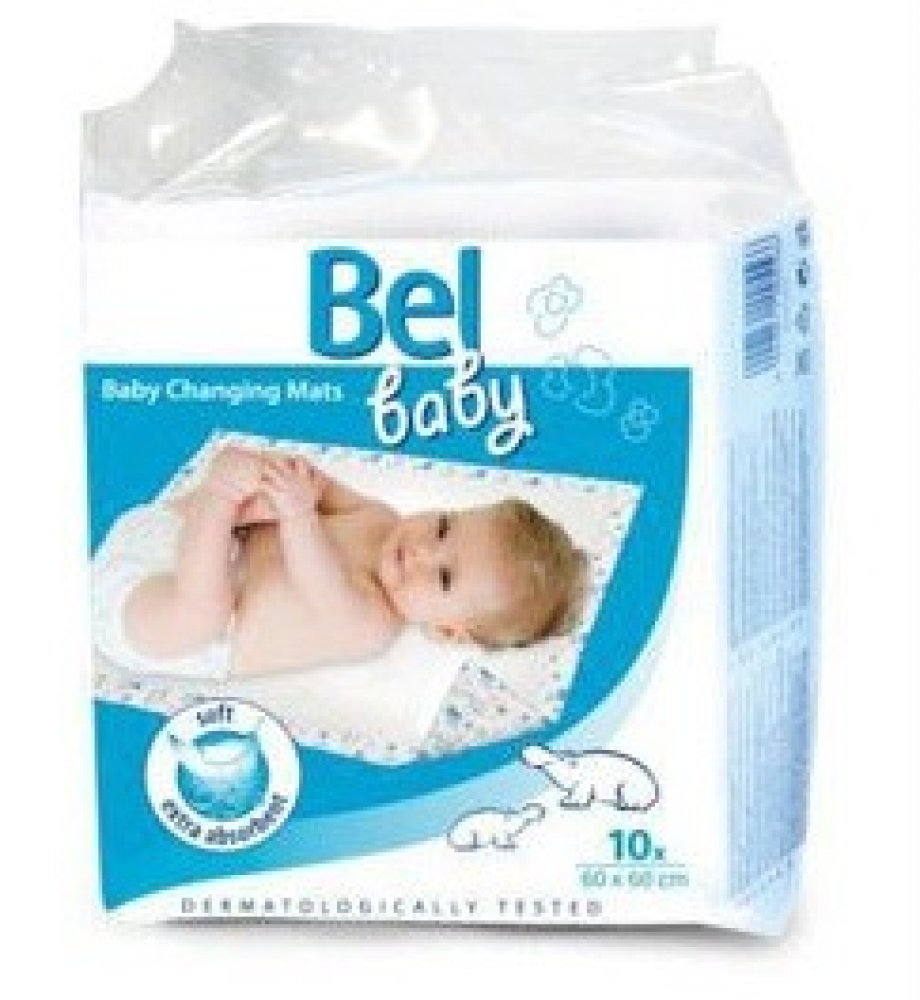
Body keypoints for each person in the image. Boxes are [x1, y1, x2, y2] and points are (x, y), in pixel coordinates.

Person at [95, 445, 588, 679]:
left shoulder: (372, 627)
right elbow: (321, 487)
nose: (422, 550)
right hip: (176, 535)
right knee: (260, 496)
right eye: (444, 527)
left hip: (156, 621)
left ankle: (218, 498)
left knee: (202, 614)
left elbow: (316, 578)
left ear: (446, 630)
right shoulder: (381, 518)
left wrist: (295, 513)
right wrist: (285, 479)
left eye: (444, 577)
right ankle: (221, 502)